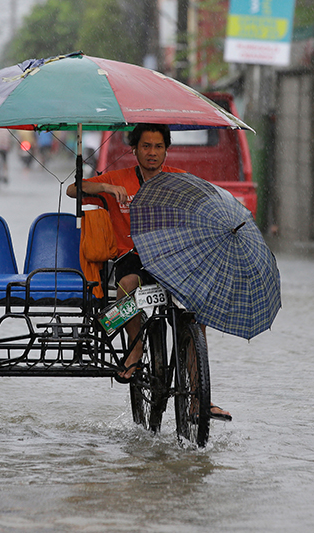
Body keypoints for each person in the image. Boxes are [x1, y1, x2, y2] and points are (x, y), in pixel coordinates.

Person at [65, 123, 232, 421]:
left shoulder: (178, 179)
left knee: (196, 314)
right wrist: (105, 187)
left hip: (171, 260)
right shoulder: (120, 178)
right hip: (133, 259)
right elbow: (73, 189)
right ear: (135, 149)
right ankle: (135, 347)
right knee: (126, 284)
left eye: (157, 147)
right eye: (146, 146)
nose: (152, 153)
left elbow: (209, 200)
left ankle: (199, 400)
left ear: (166, 149)